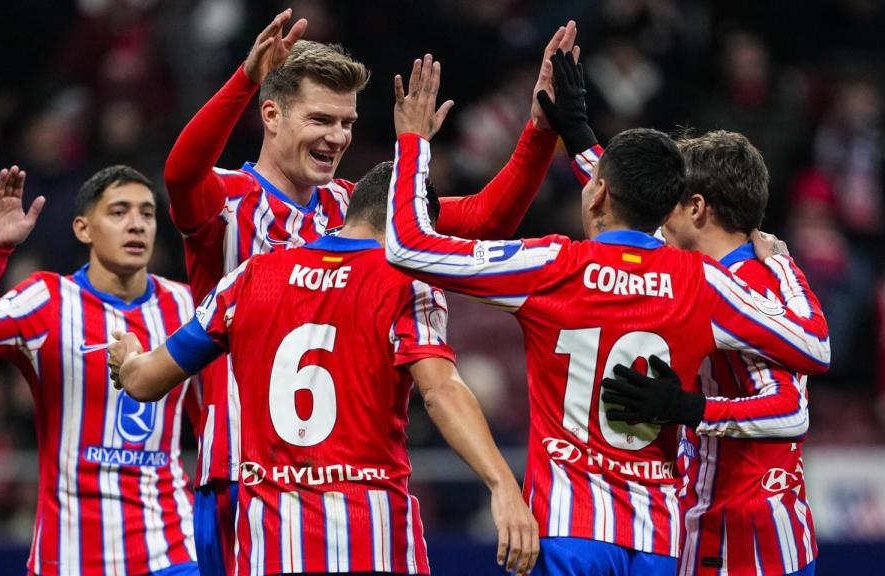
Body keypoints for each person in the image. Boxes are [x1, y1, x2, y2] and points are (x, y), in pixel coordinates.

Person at [163, 8, 578, 574]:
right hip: (244, 474)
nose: (337, 137)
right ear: (272, 115)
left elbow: (483, 221)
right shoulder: (230, 201)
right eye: (321, 119)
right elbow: (181, 174)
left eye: (347, 122)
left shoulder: (356, 207)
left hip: (349, 481)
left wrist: (538, 131)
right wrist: (244, 77)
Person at [383, 51, 830, 576]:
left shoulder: (554, 264)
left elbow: (410, 246)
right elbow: (813, 346)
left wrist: (412, 144)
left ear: (695, 208)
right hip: (660, 533)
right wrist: (576, 132)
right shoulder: (706, 283)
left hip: (599, 526)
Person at [108, 159, 540, 575]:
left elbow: (145, 380)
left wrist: (127, 360)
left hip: (270, 549)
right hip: (374, 543)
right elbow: (439, 389)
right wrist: (502, 484)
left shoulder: (249, 276)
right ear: (413, 226)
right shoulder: (405, 283)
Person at [0, 165, 199, 576]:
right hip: (69, 556)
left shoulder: (188, 307)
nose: (136, 225)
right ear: (83, 229)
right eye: (118, 212)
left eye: (146, 214)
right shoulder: (47, 300)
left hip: (171, 550)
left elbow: (217, 417)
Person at [600, 131, 820, 576]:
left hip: (742, 541)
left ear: (697, 209)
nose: (660, 216)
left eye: (671, 204)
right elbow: (629, 198)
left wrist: (686, 407)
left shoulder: (740, 287)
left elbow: (791, 411)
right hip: (750, 528)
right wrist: (578, 135)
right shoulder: (733, 272)